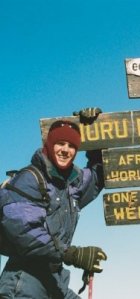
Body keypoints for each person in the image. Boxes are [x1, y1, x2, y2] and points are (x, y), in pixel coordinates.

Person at [0, 108, 107, 298]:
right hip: (25, 280)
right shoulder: (30, 179)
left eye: (72, 146)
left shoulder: (71, 186)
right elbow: (26, 232)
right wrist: (72, 254)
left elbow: (97, 178)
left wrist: (94, 133)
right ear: (49, 145)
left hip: (54, 279)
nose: (65, 150)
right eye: (60, 143)